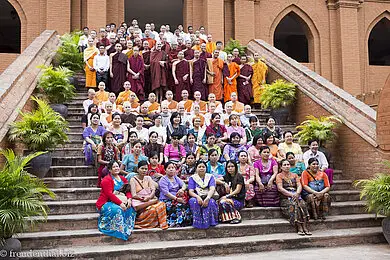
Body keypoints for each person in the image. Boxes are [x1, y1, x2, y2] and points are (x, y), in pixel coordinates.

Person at [96, 160, 136, 240]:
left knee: (130, 208)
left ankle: (126, 228)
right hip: (107, 202)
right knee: (117, 209)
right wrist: (120, 203)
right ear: (110, 170)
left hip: (121, 199)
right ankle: (114, 228)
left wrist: (129, 199)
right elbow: (109, 194)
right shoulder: (106, 180)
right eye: (114, 167)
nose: (116, 168)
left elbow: (127, 191)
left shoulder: (123, 179)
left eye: (117, 166)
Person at [276, 159, 311, 235]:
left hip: (297, 195)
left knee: (303, 204)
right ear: (281, 167)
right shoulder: (279, 176)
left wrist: (297, 193)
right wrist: (291, 195)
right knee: (294, 205)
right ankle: (299, 227)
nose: (286, 166)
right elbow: (280, 188)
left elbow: (299, 185)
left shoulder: (295, 175)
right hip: (285, 197)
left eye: (288, 164)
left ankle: (305, 226)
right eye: (284, 165)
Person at [130, 161, 168, 229]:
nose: (144, 170)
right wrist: (143, 198)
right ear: (138, 169)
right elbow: (134, 195)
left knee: (162, 204)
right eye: (142, 168)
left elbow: (153, 190)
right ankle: (142, 224)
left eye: (146, 169)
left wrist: (149, 197)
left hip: (149, 199)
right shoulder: (133, 179)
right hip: (139, 202)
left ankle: (159, 224)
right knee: (152, 209)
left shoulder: (148, 178)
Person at [159, 161, 192, 227]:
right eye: (169, 168)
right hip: (167, 200)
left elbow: (184, 185)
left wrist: (182, 189)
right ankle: (176, 223)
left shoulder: (175, 177)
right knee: (179, 206)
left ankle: (185, 222)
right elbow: (166, 193)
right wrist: (176, 199)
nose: (171, 169)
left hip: (177, 198)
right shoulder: (163, 180)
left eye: (173, 168)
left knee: (187, 204)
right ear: (165, 170)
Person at [188, 160, 219, 229]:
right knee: (193, 201)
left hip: (208, 196)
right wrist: (197, 197)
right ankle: (198, 223)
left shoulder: (210, 177)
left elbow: (212, 189)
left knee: (211, 202)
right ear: (196, 168)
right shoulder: (192, 178)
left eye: (203, 167)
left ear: (206, 168)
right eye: (199, 167)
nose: (201, 168)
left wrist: (207, 198)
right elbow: (191, 191)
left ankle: (209, 222)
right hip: (196, 196)